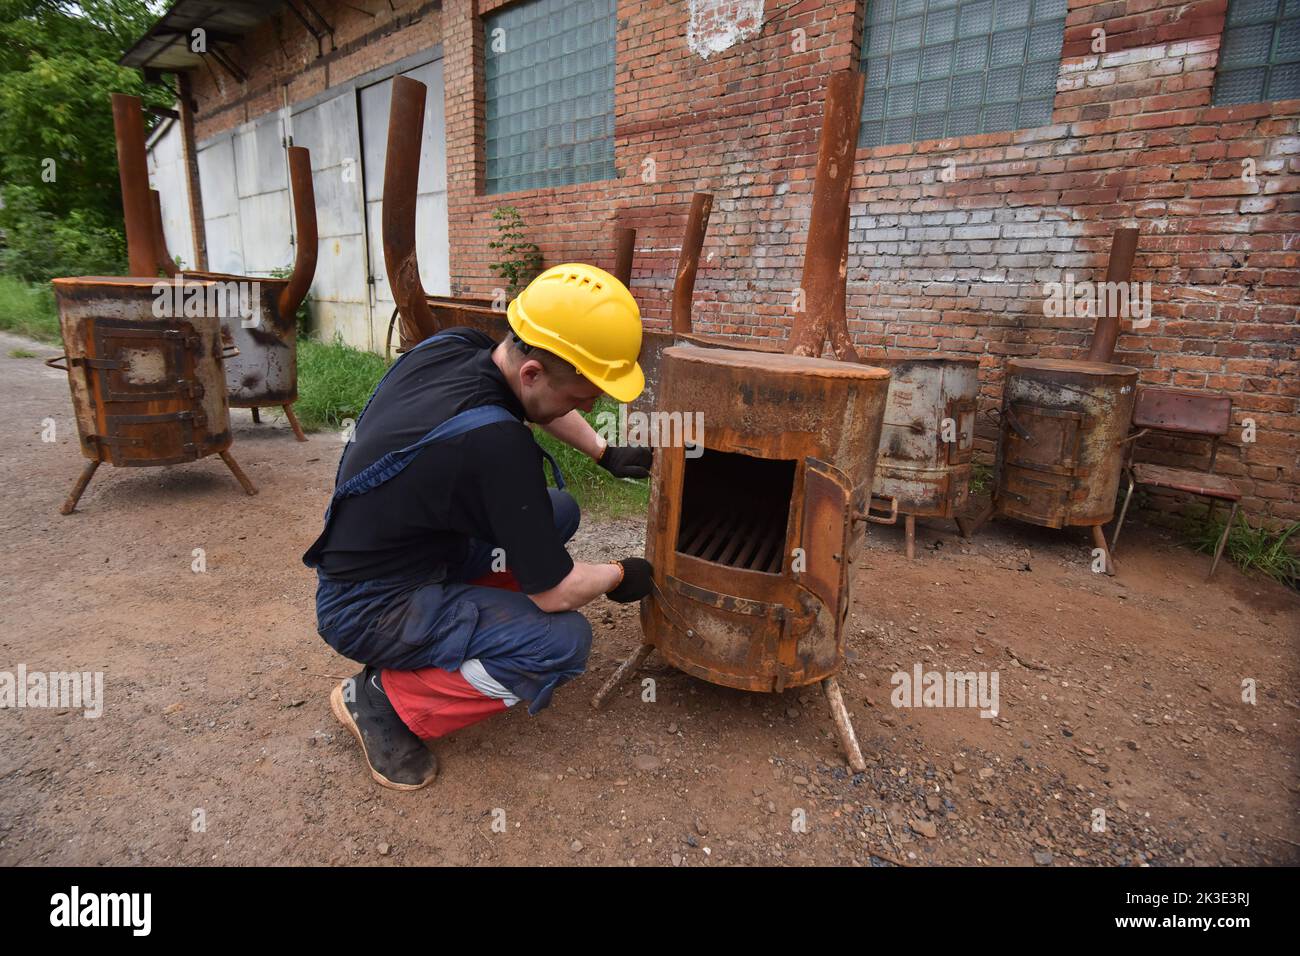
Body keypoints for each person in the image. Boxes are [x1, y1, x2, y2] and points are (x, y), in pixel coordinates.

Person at [302, 264, 655, 790]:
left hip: (399, 549)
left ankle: (467, 616)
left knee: (557, 511)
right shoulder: (497, 447)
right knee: (561, 641)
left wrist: (604, 452)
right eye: (583, 399)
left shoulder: (457, 347)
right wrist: (620, 574)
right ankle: (384, 700)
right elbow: (558, 593)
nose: (591, 406)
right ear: (532, 371)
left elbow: (535, 402)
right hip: (371, 607)